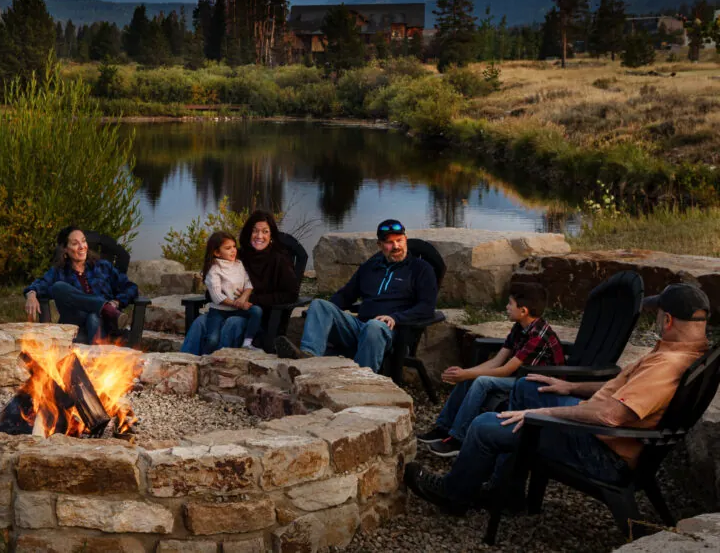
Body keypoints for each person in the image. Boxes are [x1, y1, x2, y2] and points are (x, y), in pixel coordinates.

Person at [405, 282, 711, 514]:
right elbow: (621, 388)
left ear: (668, 320)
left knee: (486, 425)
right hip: (599, 433)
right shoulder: (680, 354)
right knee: (528, 387)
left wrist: (542, 415)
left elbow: (611, 415)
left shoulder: (666, 366)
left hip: (601, 452)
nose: (654, 318)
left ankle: (454, 494)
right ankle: (506, 488)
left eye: (657, 313)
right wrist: (569, 388)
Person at [417, 282, 565, 458]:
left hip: (537, 387)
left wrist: (468, 374)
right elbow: (497, 361)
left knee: (482, 381)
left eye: (510, 303)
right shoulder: (519, 327)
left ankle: (458, 439)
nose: (506, 307)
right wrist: (465, 373)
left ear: (523, 311)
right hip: (521, 378)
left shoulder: (538, 336)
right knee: (471, 376)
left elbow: (505, 370)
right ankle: (444, 427)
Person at [274, 219, 437, 374]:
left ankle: (360, 381)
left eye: (399, 240)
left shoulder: (421, 269)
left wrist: (396, 317)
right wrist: (320, 315)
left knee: (374, 326)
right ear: (379, 245)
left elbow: (427, 307)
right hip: (358, 327)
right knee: (319, 305)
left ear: (405, 239)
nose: (395, 246)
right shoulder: (370, 267)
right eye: (389, 242)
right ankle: (308, 359)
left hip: (391, 333)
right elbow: (346, 295)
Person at [181, 210, 300, 355]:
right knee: (200, 322)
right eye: (255, 231)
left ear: (271, 235)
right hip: (227, 309)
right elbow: (213, 288)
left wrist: (251, 299)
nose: (259, 236)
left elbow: (291, 294)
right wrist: (225, 296)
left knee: (233, 323)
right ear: (248, 233)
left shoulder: (280, 260)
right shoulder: (237, 256)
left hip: (260, 319)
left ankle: (217, 363)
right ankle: (183, 361)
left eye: (265, 231)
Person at [23, 227, 139, 344]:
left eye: (83, 241)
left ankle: (96, 350)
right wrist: (31, 294)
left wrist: (116, 302)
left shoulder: (103, 267)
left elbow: (131, 287)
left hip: (102, 322)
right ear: (65, 249)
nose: (82, 246)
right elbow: (39, 284)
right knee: (58, 287)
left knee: (93, 316)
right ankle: (105, 308)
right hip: (74, 321)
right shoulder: (59, 271)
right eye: (75, 243)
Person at [201, 231, 264, 351]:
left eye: (234, 246)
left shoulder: (239, 264)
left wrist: (243, 299)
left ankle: (247, 343)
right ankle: (204, 357)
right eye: (228, 248)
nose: (233, 250)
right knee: (212, 339)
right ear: (217, 252)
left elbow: (248, 284)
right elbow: (217, 296)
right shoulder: (214, 270)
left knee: (257, 311)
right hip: (219, 311)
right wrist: (238, 304)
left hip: (238, 309)